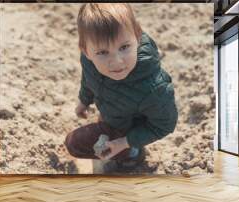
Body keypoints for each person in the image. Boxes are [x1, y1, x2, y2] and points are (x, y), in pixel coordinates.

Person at [64, 3, 178, 172]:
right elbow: (89, 78)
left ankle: (131, 154)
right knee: (102, 123)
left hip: (128, 127)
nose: (116, 62)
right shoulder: (89, 60)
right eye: (102, 53)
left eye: (124, 47)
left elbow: (164, 125)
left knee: (73, 143)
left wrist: (124, 142)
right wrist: (84, 100)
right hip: (115, 109)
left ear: (137, 37)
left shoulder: (154, 89)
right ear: (86, 50)